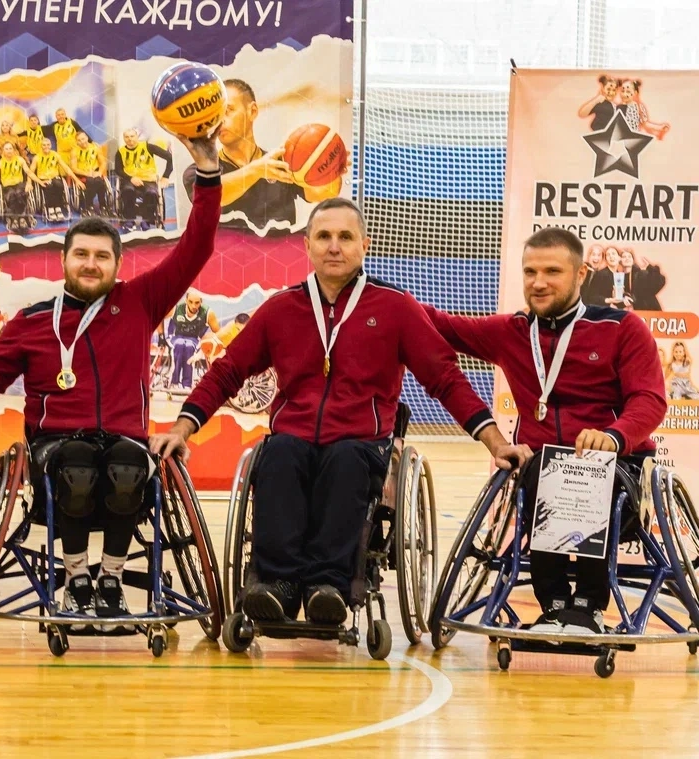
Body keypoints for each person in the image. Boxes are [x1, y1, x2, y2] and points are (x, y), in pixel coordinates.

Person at [151, 197, 526, 626]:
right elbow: (227, 371)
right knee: (279, 454)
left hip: (361, 442)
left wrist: (495, 442)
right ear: (307, 245)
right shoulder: (281, 309)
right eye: (324, 236)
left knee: (345, 459)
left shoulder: (395, 307)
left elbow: (445, 378)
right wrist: (182, 428)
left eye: (345, 237)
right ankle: (278, 584)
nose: (334, 246)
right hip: (293, 438)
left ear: (364, 245)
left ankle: (326, 586)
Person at [0, 130, 222, 627]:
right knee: (77, 462)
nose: (91, 264)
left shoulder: (140, 301)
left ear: (118, 264)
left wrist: (207, 172)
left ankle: (112, 579)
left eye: (102, 256)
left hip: (124, 442)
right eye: (81, 255)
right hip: (55, 449)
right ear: (64, 261)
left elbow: (197, 247)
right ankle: (77, 577)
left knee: (127, 463)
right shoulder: (32, 322)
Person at [420, 227, 667, 634]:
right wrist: (378, 291)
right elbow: (439, 325)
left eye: (552, 271)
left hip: (617, 469)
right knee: (541, 469)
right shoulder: (511, 332)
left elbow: (650, 400)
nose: (538, 282)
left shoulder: (622, 328)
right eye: (530, 271)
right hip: (539, 469)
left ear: (581, 274)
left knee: (582, 473)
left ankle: (587, 605)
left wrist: (612, 436)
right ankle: (553, 604)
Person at [181, 79, 335, 235]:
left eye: (228, 110)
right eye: (215, 115)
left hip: (280, 251)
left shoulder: (282, 163)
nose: (219, 121)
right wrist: (257, 170)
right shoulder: (198, 172)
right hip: (227, 252)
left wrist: (332, 169)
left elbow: (321, 193)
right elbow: (209, 196)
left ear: (252, 111)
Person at [112, 129, 172, 231]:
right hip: (130, 179)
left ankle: (146, 220)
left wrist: (166, 176)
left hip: (148, 179)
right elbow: (118, 170)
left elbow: (170, 157)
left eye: (132, 136)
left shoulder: (148, 147)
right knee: (127, 191)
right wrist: (131, 178)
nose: (130, 139)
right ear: (124, 139)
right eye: (127, 137)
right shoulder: (120, 152)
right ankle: (129, 219)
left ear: (137, 137)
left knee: (152, 193)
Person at [160, 291, 221, 390]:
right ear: (186, 300)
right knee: (179, 344)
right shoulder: (176, 308)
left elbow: (218, 332)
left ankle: (187, 384)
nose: (193, 306)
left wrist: (208, 342)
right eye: (191, 302)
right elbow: (158, 316)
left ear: (201, 302)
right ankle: (174, 382)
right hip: (176, 337)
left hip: (194, 339)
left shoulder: (208, 313)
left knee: (189, 347)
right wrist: (161, 336)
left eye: (197, 303)